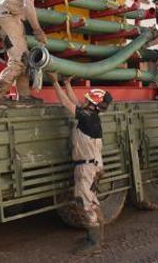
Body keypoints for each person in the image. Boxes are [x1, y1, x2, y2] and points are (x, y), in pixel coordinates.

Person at [47, 73, 112, 255]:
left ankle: (93, 243)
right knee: (91, 199)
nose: (84, 100)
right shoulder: (90, 116)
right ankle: (98, 238)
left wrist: (55, 83)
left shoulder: (87, 118)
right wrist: (67, 83)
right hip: (93, 165)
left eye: (88, 99)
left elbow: (67, 104)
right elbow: (76, 104)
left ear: (93, 104)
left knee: (85, 202)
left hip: (86, 167)